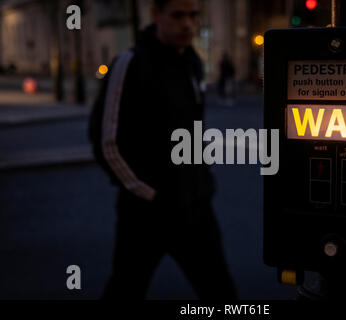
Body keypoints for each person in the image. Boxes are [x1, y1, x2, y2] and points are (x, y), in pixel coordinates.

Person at [89, 0, 237, 300]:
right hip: (145, 215)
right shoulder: (130, 63)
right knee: (125, 288)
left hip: (196, 207)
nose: (187, 24)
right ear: (156, 15)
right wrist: (148, 192)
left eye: (194, 16)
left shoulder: (193, 62)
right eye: (178, 15)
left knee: (221, 292)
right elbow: (106, 140)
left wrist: (202, 180)